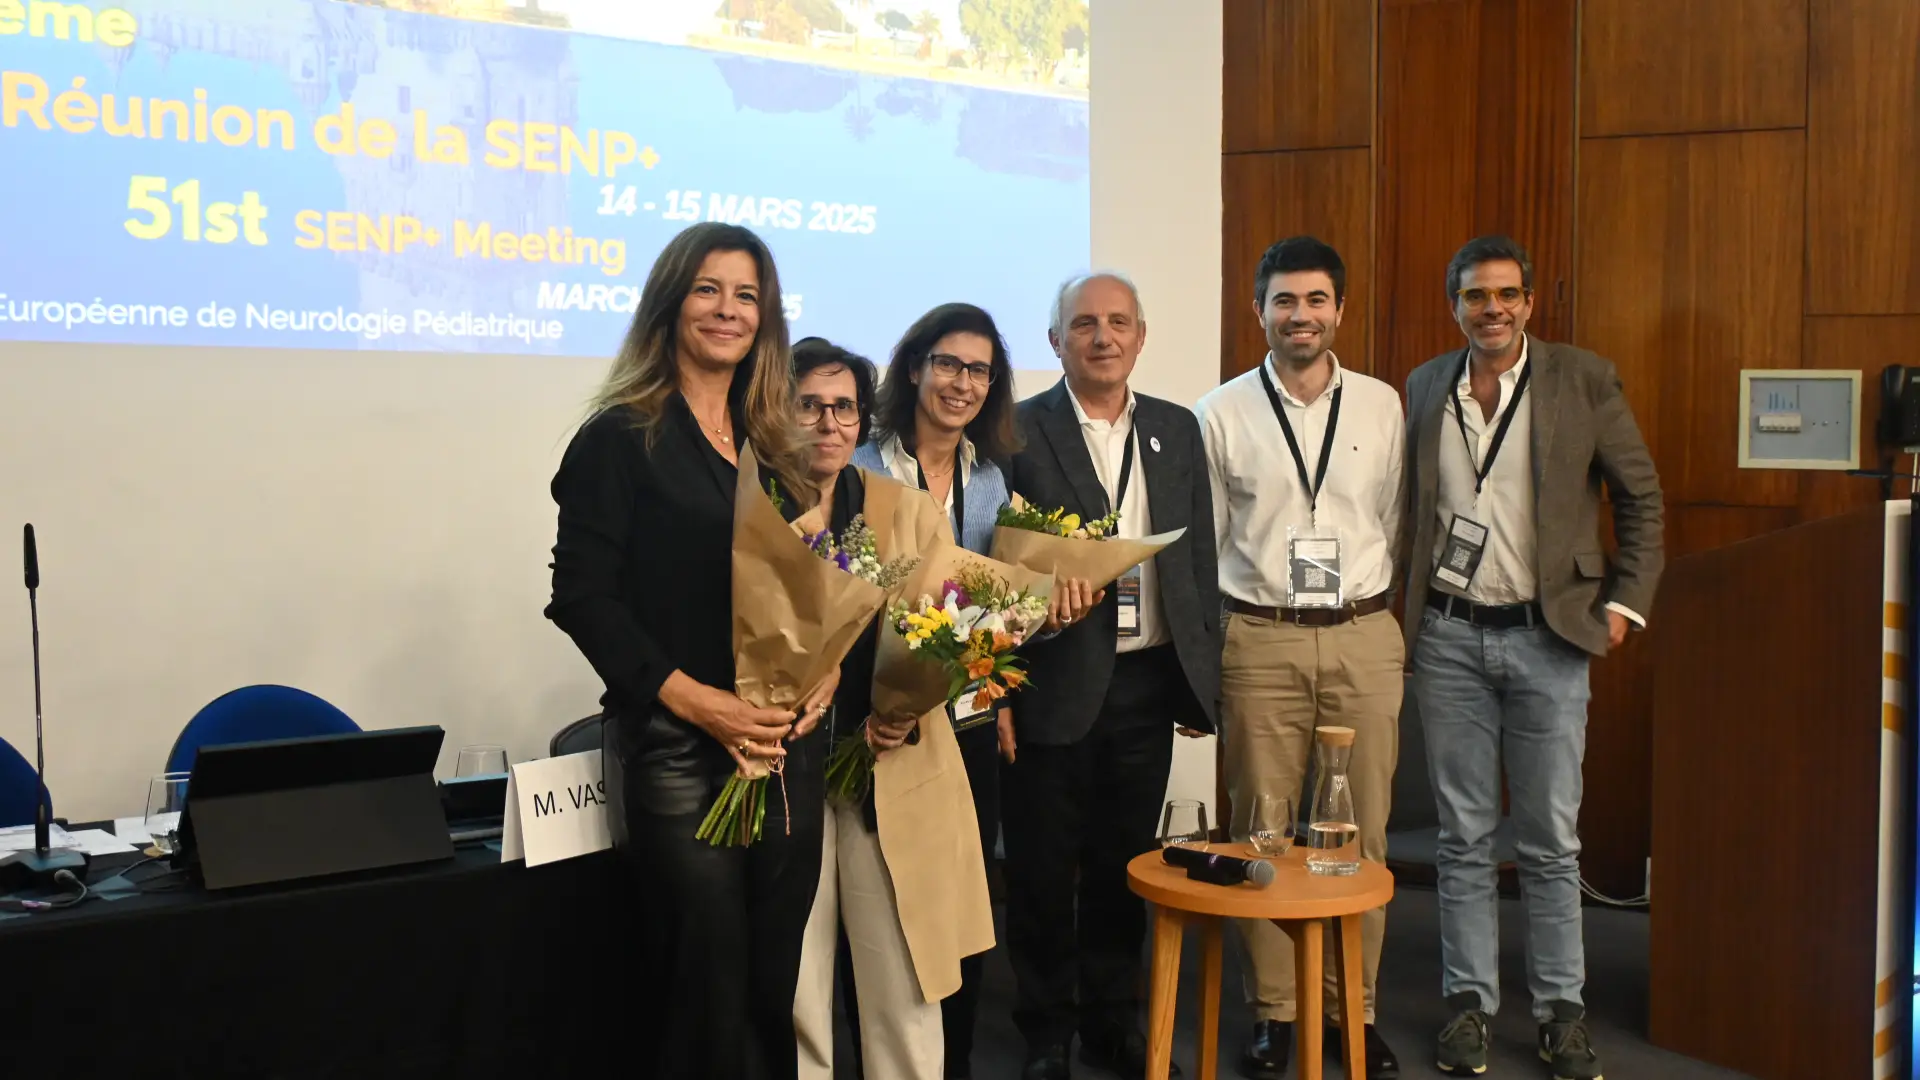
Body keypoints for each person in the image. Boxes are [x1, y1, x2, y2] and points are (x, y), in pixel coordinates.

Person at [543, 222, 834, 1080]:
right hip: (678, 752)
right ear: (671, 303)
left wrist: (826, 671)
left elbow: (813, 589)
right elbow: (582, 598)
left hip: (782, 750)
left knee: (769, 986)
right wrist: (698, 703)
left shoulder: (774, 445)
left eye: (747, 295)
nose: (727, 310)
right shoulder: (619, 437)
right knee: (702, 992)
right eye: (708, 289)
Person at [1402, 235, 1663, 1080]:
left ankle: (1561, 1014)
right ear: (1455, 305)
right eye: (1476, 295)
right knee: (1462, 836)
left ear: (1529, 302)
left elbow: (1641, 496)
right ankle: (1469, 1006)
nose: (1493, 309)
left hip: (1551, 637)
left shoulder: (1582, 378)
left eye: (1507, 294)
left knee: (1550, 840)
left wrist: (1623, 603)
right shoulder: (1425, 385)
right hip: (1449, 636)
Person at [854, 302, 1096, 1079]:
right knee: (885, 909)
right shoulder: (859, 468)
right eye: (949, 364)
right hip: (875, 723)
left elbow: (997, 617)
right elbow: (839, 602)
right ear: (915, 367)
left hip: (965, 724)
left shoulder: (989, 481)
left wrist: (1052, 614)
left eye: (980, 371)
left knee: (959, 906)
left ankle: (951, 1061)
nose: (963, 383)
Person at [1000, 271, 1222, 1080]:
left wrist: (1201, 678)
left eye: (1118, 322)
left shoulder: (1175, 427)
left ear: (1140, 336)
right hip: (1053, 683)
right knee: (1040, 867)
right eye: (1085, 323)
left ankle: (1111, 1018)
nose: (1103, 336)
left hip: (1146, 684)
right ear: (1055, 341)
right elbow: (995, 564)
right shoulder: (1018, 431)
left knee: (1125, 861)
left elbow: (1198, 559)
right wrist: (1000, 686)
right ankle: (1046, 1029)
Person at [1194, 236, 1405, 1080]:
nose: (1300, 315)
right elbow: (1208, 541)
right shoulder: (1220, 413)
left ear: (1339, 310)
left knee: (1362, 827)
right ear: (1260, 311)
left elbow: (1392, 517)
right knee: (1263, 827)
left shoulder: (1383, 405)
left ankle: (1352, 1009)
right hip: (1260, 636)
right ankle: (1277, 1014)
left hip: (1362, 631)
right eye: (1284, 300)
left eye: (1316, 299)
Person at [788, 337, 990, 1080]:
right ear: (777, 413)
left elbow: (950, 629)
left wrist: (909, 704)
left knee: (904, 983)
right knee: (795, 985)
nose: (829, 423)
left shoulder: (905, 512)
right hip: (783, 773)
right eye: (810, 406)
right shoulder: (751, 510)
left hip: (890, 771)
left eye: (844, 408)